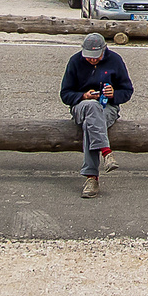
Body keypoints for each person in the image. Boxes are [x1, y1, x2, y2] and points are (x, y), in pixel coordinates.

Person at [60, 32, 134, 198]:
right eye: (88, 57)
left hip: (108, 108)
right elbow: (65, 94)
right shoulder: (74, 61)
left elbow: (127, 91)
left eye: (96, 57)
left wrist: (113, 94)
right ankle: (107, 152)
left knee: (90, 125)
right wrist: (83, 96)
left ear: (104, 50)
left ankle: (91, 178)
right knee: (91, 106)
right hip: (82, 106)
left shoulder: (115, 61)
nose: (92, 60)